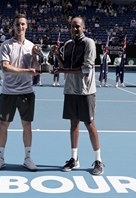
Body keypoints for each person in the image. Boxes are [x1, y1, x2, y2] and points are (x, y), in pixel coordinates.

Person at [51, 16, 104, 175]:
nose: (75, 29)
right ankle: (74, 159)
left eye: (78, 26)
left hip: (85, 91)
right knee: (73, 124)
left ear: (83, 28)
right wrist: (57, 55)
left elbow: (86, 69)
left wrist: (64, 71)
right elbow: (65, 66)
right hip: (70, 90)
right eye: (73, 26)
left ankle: (98, 160)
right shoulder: (67, 44)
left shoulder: (89, 43)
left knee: (89, 124)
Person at [0, 13, 40, 172]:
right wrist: (27, 70)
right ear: (13, 27)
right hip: (8, 92)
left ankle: (27, 158)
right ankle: (0, 158)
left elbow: (36, 68)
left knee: (27, 125)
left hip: (26, 92)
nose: (20, 27)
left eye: (23, 24)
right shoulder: (5, 45)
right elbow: (5, 67)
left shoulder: (31, 46)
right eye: (17, 24)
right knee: (4, 125)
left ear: (27, 26)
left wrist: (36, 56)